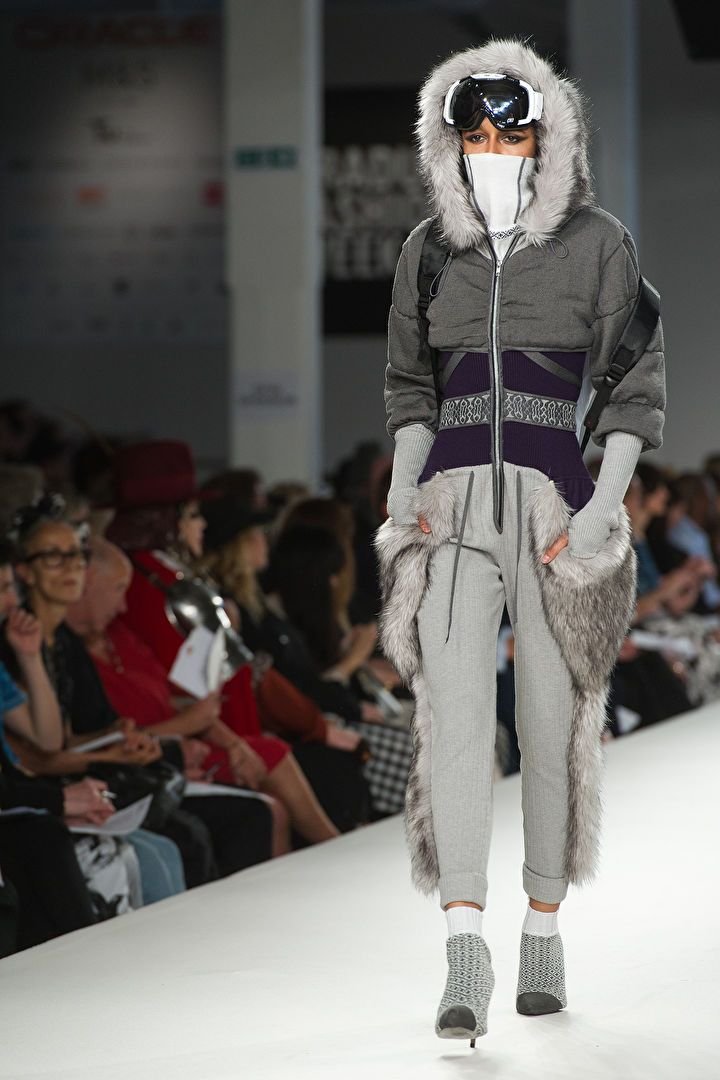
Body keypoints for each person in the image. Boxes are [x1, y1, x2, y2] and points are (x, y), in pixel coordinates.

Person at [374, 39, 666, 1042]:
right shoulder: (428, 251)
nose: (492, 148)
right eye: (475, 134)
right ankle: (465, 947)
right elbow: (409, 386)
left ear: (549, 135)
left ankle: (543, 923)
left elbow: (633, 384)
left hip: (556, 515)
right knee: (453, 725)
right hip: (448, 514)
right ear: (448, 140)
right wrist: (405, 486)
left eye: (511, 132)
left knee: (551, 722)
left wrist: (600, 508)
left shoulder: (598, 245)